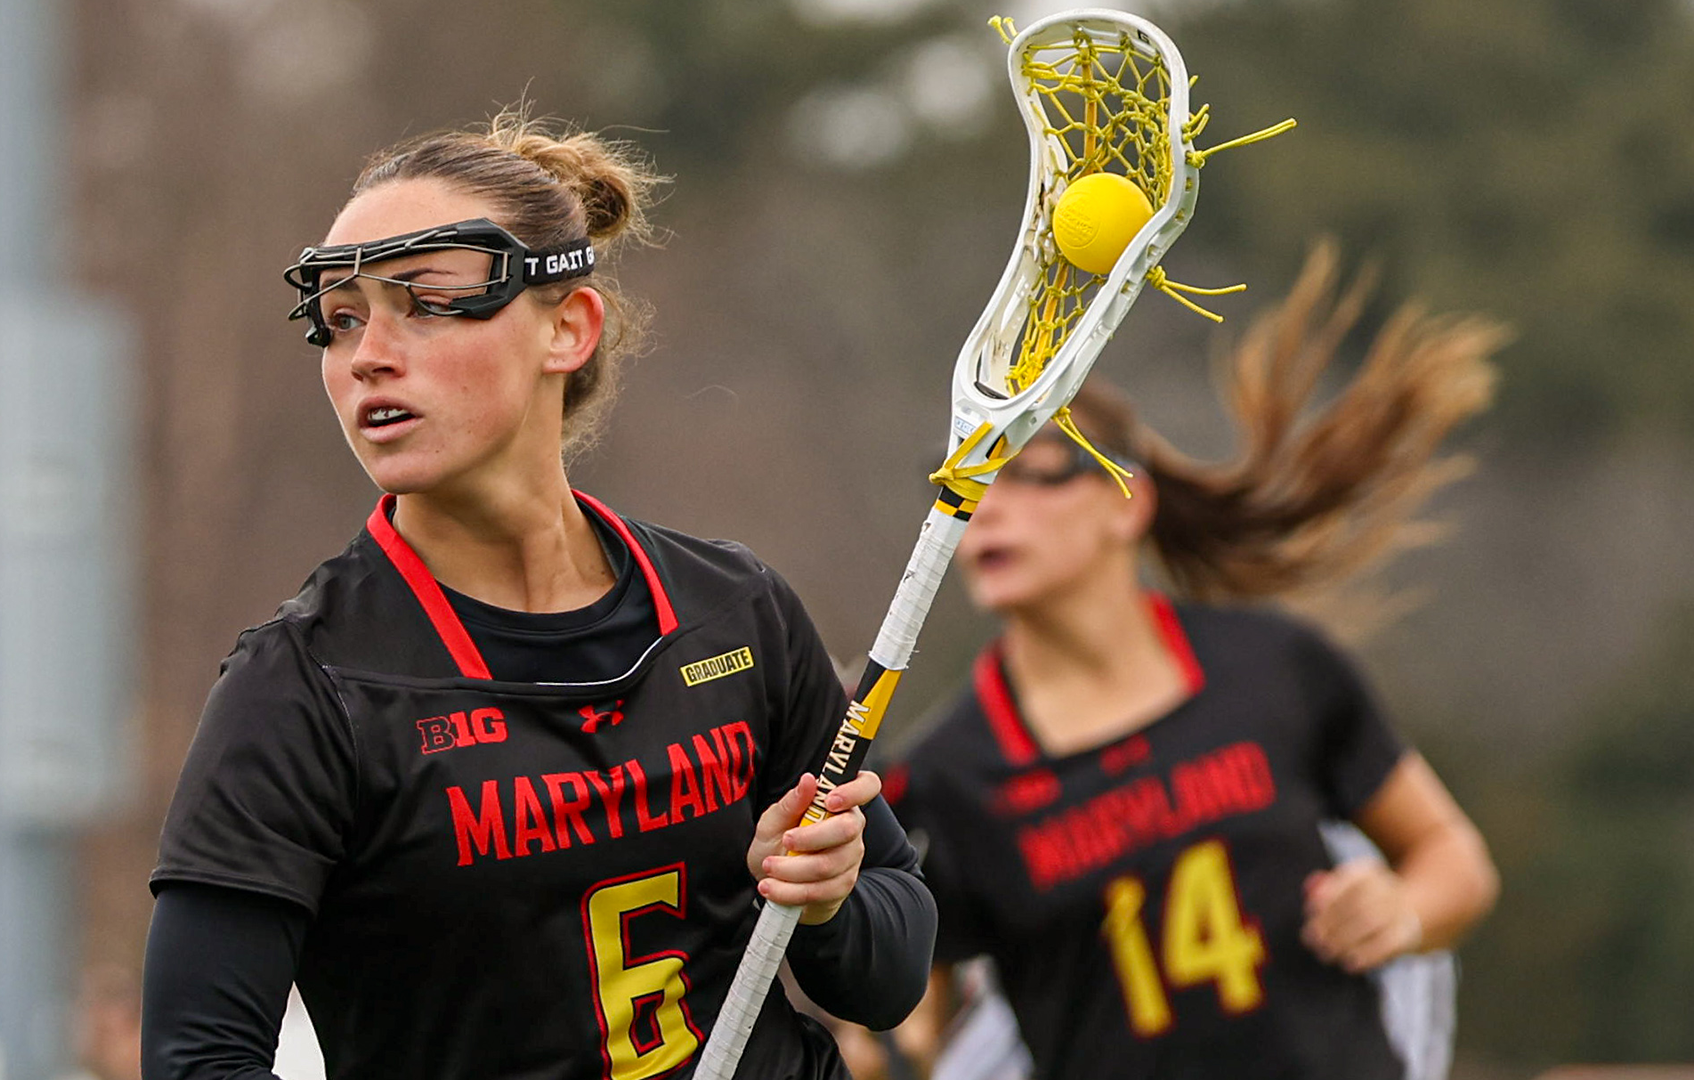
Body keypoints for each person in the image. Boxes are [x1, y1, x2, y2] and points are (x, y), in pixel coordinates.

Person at [140, 109, 935, 1080]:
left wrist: (828, 903)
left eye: (425, 302)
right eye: (342, 320)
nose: (368, 356)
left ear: (568, 327)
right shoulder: (302, 690)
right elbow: (199, 1059)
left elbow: (890, 973)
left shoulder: (735, 610)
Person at [879, 247, 1502, 1080]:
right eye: (968, 479)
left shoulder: (1275, 665)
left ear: (1125, 504)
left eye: (1030, 477)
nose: (985, 510)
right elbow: (910, 1021)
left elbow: (1454, 862)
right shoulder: (945, 777)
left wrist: (1401, 908)